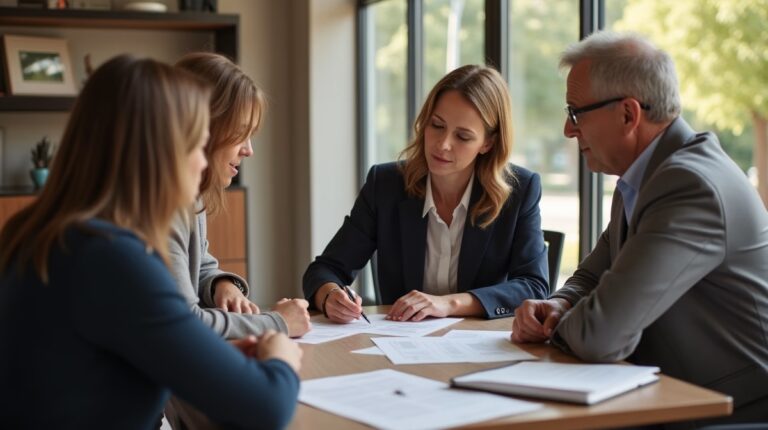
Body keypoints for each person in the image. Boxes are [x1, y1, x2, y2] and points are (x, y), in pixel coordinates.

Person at [0, 55, 302, 429]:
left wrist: (197, 352)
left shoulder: (42, 233)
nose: (201, 162)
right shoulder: (112, 258)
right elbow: (266, 407)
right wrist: (280, 353)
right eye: (197, 144)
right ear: (161, 151)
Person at [512, 31, 768, 425]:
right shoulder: (645, 174)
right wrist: (560, 303)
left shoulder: (689, 185)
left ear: (629, 114)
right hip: (671, 391)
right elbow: (591, 275)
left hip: (732, 410)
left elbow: (601, 335)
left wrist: (557, 324)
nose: (568, 128)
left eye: (575, 112)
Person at [303, 64, 549, 323]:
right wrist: (331, 297)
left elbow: (534, 287)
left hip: (481, 345)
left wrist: (449, 303)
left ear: (487, 143)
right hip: (398, 344)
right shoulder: (385, 185)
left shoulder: (519, 190)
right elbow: (324, 270)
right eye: (437, 125)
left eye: (463, 136)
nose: (443, 144)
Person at [173, 52, 311, 339]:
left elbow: (196, 265)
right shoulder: (162, 207)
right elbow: (183, 324)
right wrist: (277, 323)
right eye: (240, 133)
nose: (249, 150)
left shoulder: (191, 195)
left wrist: (221, 284)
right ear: (202, 129)